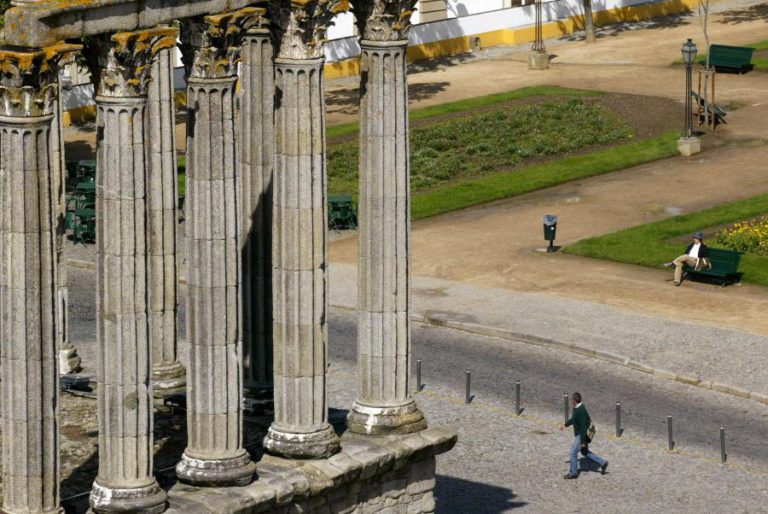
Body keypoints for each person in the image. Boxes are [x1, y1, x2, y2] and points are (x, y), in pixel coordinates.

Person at [560, 392, 608, 479]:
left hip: (581, 435)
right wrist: (565, 425)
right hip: (582, 434)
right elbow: (574, 419)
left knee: (573, 453)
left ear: (574, 401)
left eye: (572, 399)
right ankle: (603, 463)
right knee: (584, 452)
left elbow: (583, 428)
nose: (571, 401)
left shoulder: (580, 411)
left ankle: (573, 473)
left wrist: (582, 441)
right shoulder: (578, 408)